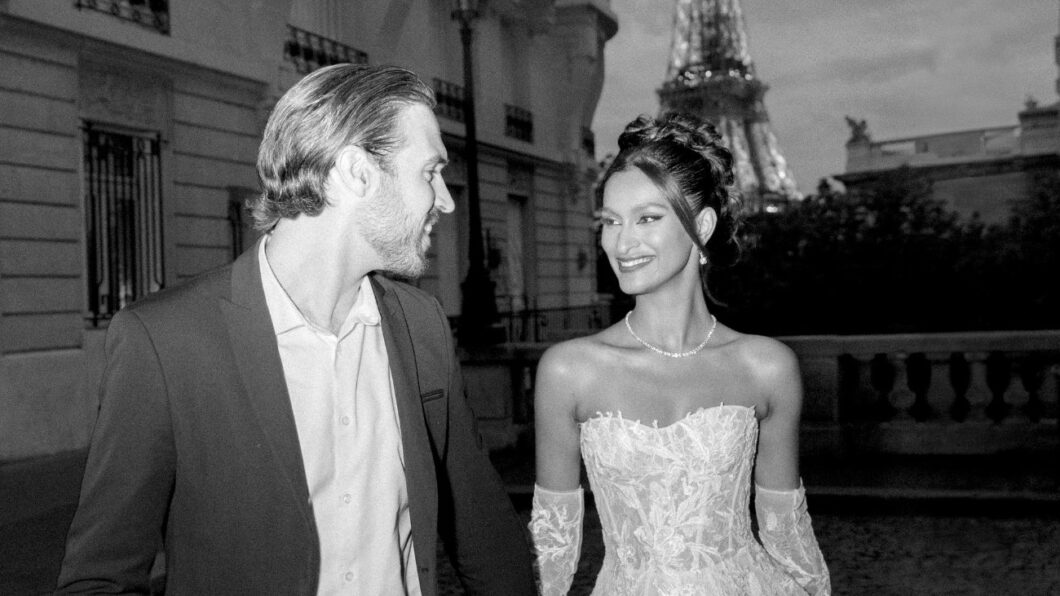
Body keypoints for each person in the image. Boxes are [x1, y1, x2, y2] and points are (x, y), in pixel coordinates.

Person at [56, 64, 536, 595]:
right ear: (356, 171)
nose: (445, 200)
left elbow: (484, 533)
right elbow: (99, 579)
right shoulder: (167, 342)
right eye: (429, 172)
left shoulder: (421, 326)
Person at [529, 113, 830, 595]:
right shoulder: (569, 371)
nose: (621, 242)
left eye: (647, 218)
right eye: (610, 221)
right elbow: (551, 554)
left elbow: (787, 536)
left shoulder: (767, 367)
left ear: (702, 225)